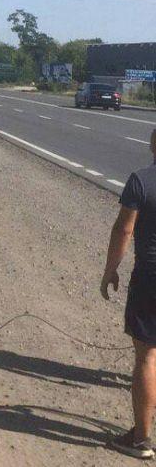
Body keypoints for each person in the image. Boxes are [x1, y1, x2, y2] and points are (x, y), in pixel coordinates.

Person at [102, 128, 156, 459]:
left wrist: (110, 271)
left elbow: (124, 228)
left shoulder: (140, 180)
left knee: (148, 356)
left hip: (150, 277)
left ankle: (141, 440)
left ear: (153, 144)